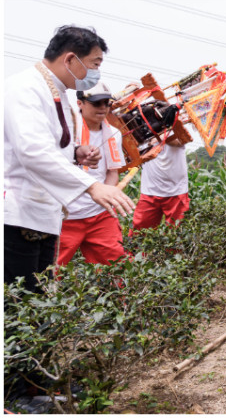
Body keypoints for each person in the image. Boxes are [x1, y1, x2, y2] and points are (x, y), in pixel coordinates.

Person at [4, 25, 134, 294]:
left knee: (39, 297)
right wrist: (92, 186)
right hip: (19, 217)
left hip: (45, 215)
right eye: (94, 64)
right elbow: (32, 150)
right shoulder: (25, 88)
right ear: (71, 60)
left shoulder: (58, 92)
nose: (96, 72)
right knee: (19, 302)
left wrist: (75, 153)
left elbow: (51, 142)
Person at [58, 81, 127, 266]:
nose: (103, 108)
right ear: (80, 103)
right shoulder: (65, 130)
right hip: (66, 216)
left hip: (99, 215)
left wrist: (106, 195)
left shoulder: (114, 134)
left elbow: (112, 171)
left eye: (107, 103)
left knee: (116, 268)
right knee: (49, 272)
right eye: (97, 103)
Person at [131, 91, 191, 230]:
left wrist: (159, 131)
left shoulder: (177, 126)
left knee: (177, 234)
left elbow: (181, 141)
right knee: (140, 233)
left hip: (176, 191)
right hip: (150, 191)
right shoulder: (141, 131)